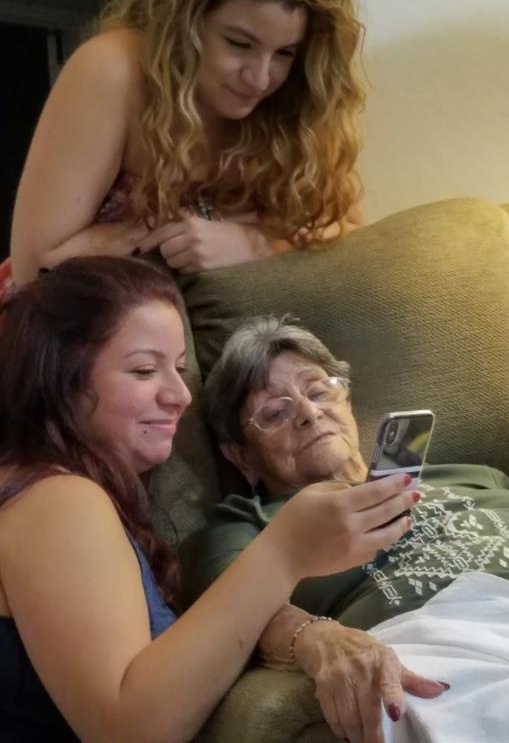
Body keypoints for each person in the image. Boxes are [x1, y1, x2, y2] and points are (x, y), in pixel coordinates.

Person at [0, 256, 433, 742]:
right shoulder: (56, 500)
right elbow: (125, 731)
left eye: (179, 369)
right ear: (59, 378)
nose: (181, 396)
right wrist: (285, 550)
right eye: (144, 370)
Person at [198, 315, 509, 743]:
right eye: (275, 413)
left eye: (318, 391)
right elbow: (227, 608)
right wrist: (315, 638)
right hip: (453, 644)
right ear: (241, 456)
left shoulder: (474, 474)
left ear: (347, 400)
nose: (309, 413)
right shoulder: (249, 522)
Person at [3, 0, 365, 299]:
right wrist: (167, 238)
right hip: (78, 323)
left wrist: (252, 243)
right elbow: (34, 268)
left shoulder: (297, 101)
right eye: (239, 44)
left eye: (285, 53)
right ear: (185, 23)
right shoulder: (113, 68)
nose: (259, 78)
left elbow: (354, 237)